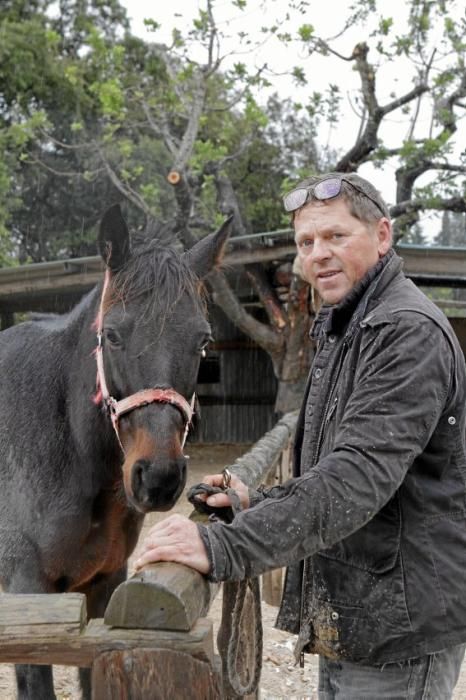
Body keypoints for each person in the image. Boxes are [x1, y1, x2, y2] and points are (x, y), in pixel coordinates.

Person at [135, 172, 466, 699]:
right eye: (306, 242)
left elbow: (355, 479)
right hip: (359, 616)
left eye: (336, 236)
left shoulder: (405, 332)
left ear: (382, 236)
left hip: (399, 631)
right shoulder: (346, 325)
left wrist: (221, 545)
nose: (319, 255)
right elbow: (335, 468)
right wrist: (255, 499)